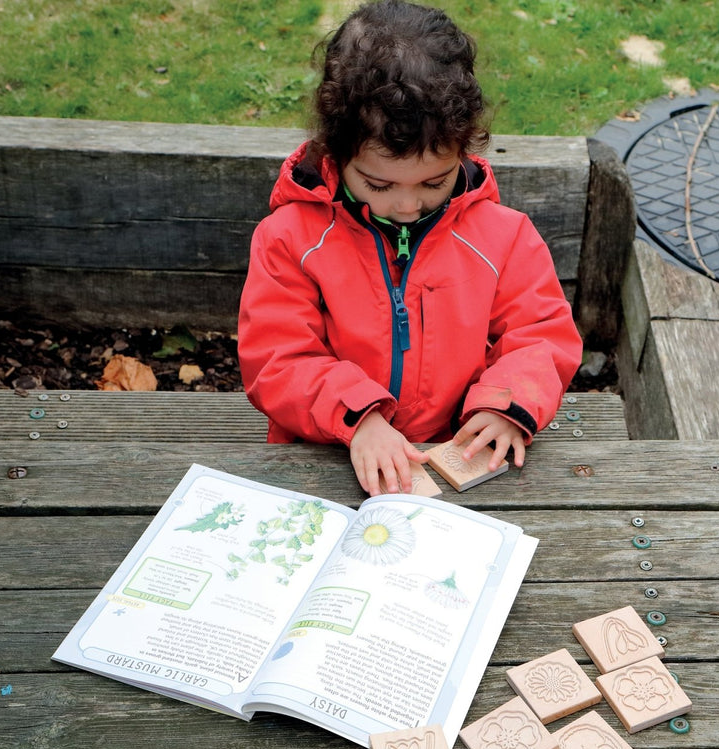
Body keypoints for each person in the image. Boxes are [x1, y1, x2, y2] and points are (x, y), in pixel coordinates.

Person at [237, 0, 582, 496]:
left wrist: (503, 406)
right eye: (378, 186)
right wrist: (362, 419)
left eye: (433, 183)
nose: (406, 205)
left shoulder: (504, 236)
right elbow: (278, 357)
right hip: (325, 453)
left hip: (459, 458)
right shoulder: (289, 238)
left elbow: (539, 336)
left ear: (464, 146)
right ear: (335, 151)